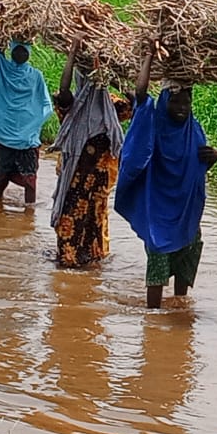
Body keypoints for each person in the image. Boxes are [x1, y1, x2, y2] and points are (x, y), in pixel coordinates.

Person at [115, 45, 217, 309]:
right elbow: (140, 94)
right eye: (175, 101)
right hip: (158, 208)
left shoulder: (192, 129)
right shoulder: (153, 123)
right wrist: (149, 54)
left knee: (186, 253)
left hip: (185, 208)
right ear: (165, 102)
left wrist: (213, 156)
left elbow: (192, 167)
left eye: (186, 102)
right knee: (159, 258)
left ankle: (180, 306)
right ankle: (153, 317)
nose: (182, 107)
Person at [48, 36, 132, 268]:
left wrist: (109, 73)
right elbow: (64, 88)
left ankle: (88, 265)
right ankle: (68, 266)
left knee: (93, 228)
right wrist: (73, 53)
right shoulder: (72, 106)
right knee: (69, 226)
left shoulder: (111, 107)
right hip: (74, 183)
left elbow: (136, 100)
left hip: (97, 186)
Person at [0, 23, 53, 204]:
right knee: (1, 178)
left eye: (24, 51)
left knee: (30, 181)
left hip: (27, 141)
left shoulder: (35, 76)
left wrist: (33, 125)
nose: (21, 54)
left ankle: (29, 214)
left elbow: (45, 104)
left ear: (29, 54)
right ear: (11, 51)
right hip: (6, 139)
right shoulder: (2, 68)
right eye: (17, 50)